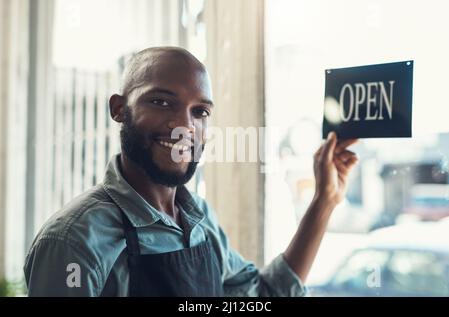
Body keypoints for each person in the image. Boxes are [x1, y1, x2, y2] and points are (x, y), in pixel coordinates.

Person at [23, 47, 358, 296]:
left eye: (200, 111)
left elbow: (260, 298)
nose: (184, 126)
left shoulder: (200, 221)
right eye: (161, 102)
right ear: (119, 109)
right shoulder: (73, 241)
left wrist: (323, 202)